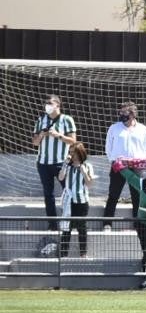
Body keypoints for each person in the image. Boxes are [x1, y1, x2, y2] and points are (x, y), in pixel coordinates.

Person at [32, 95, 77, 229]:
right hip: (43, 163)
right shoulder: (41, 120)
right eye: (46, 103)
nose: (47, 106)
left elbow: (73, 141)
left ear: (58, 105)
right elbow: (34, 143)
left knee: (68, 192)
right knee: (48, 194)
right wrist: (41, 135)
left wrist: (58, 135)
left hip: (61, 163)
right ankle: (52, 225)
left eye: (50, 103)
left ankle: (70, 223)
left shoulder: (67, 120)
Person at [103, 101, 146, 224]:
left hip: (136, 167)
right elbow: (108, 147)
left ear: (133, 114)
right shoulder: (114, 128)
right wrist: (113, 161)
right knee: (113, 195)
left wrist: (139, 161)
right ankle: (107, 224)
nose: (121, 114)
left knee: (137, 196)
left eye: (125, 112)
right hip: (118, 166)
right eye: (121, 112)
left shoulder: (143, 129)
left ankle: (138, 223)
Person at [57, 142, 93, 258]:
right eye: (70, 152)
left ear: (79, 152)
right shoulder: (68, 165)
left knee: (81, 228)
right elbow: (60, 177)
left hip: (81, 201)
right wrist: (65, 164)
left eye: (73, 152)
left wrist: (83, 172)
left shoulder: (87, 165)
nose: (71, 154)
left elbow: (90, 183)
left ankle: (83, 253)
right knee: (66, 228)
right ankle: (63, 254)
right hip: (69, 201)